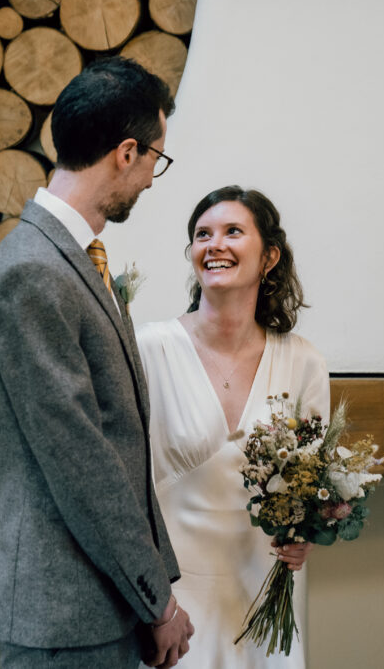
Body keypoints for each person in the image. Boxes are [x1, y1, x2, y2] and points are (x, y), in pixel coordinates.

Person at [0, 56, 194, 669]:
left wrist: (151, 591)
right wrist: (159, 605)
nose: (152, 179)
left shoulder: (73, 259)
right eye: (155, 158)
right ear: (127, 153)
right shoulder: (31, 272)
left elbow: (119, 441)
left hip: (102, 605)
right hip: (64, 619)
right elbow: (82, 460)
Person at [136, 186, 330, 668]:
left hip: (263, 589)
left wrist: (306, 532)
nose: (214, 245)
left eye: (232, 232)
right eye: (203, 234)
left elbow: (316, 485)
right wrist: (155, 602)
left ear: (269, 257)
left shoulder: (303, 361)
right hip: (171, 599)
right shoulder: (149, 349)